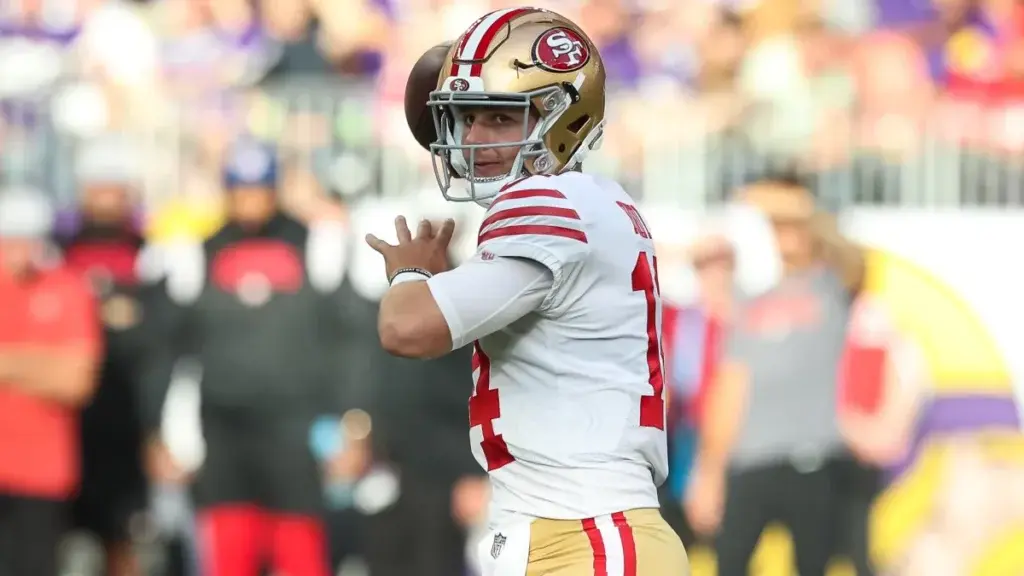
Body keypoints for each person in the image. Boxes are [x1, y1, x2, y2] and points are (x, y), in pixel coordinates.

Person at [365, 8, 688, 575]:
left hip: (587, 533)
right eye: (465, 118)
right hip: (572, 529)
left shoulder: (544, 201)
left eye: (497, 117)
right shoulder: (593, 203)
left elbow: (404, 328)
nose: (473, 138)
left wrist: (408, 274)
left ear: (561, 117)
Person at [140, 139, 356, 576]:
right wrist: (156, 431)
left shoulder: (316, 246)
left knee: (301, 559)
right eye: (240, 190)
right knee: (228, 558)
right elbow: (165, 351)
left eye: (259, 189)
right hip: (222, 435)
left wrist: (354, 423)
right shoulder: (197, 254)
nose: (249, 201)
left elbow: (349, 343)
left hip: (296, 434)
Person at [686, 173, 866, 576]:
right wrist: (710, 471)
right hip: (750, 462)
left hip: (812, 460)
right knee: (729, 565)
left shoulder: (831, 287)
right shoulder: (749, 298)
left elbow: (847, 252)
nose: (784, 236)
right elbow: (731, 386)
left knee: (812, 567)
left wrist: (774, 203)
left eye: (791, 227)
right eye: (775, 228)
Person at [0, 188, 102, 576]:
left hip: (41, 473)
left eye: (28, 238)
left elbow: (77, 380)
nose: (18, 249)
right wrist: (42, 363)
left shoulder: (67, 288)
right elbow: (61, 371)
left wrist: (7, 363)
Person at [59, 138, 149, 576]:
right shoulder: (58, 249)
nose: (107, 200)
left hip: (126, 411)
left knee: (124, 539)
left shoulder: (151, 251)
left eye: (115, 189)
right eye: (98, 189)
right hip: (70, 413)